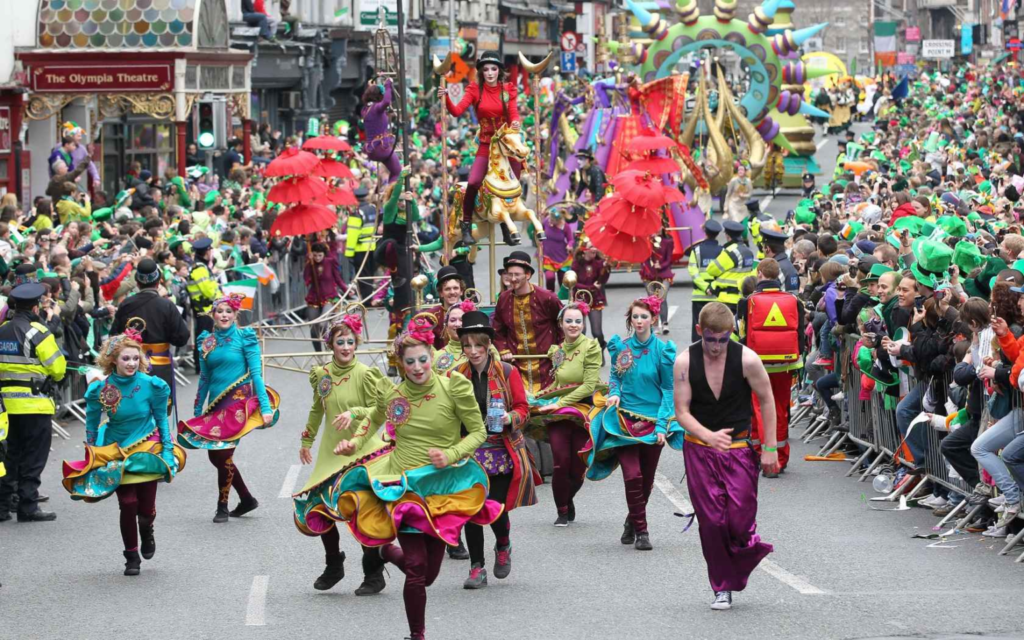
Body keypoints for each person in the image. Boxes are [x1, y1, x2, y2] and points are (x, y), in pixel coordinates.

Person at [331, 317, 502, 640]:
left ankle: (383, 553)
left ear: (432, 357)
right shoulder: (393, 394)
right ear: (401, 364)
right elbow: (373, 419)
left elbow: (479, 430)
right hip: (404, 486)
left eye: (423, 359)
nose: (418, 367)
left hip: (441, 488)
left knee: (429, 575)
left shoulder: (454, 386)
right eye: (410, 362)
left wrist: (450, 455)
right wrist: (353, 442)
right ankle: (417, 635)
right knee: (415, 569)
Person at [673, 302, 778, 611]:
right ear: (698, 332)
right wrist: (708, 436)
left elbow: (767, 399)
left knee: (739, 521)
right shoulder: (684, 362)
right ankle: (722, 586)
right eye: (710, 339)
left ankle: (743, 557)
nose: (717, 346)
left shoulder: (747, 359)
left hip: (739, 451)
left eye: (723, 338)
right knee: (712, 522)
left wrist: (770, 447)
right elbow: (682, 411)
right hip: (699, 451)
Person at [63, 330, 184, 576]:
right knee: (128, 503)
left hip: (148, 447)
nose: (131, 363)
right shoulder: (100, 389)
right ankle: (131, 555)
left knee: (146, 510)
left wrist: (169, 453)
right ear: (113, 361)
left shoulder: (153, 385)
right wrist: (91, 454)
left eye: (135, 359)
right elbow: (91, 423)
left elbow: (162, 420)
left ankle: (147, 530)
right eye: (125, 359)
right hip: (115, 450)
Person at [292, 314, 389, 595]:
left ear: (356, 344)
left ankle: (373, 572)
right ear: (331, 346)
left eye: (350, 342)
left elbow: (378, 411)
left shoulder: (365, 375)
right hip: (331, 454)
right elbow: (317, 409)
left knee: (362, 511)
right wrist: (306, 440)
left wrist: (354, 413)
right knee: (319, 509)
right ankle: (334, 563)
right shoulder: (322, 375)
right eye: (340, 342)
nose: (346, 347)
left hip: (362, 451)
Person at [585, 296, 684, 550]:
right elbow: (616, 379)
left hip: (654, 424)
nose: (639, 321)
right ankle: (642, 531)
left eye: (643, 316)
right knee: (632, 475)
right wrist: (615, 392)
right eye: (635, 317)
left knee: (647, 481)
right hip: (623, 422)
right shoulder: (622, 348)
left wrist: (663, 425)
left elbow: (668, 390)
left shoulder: (663, 351)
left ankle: (632, 520)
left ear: (653, 319)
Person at [453, 310, 538, 589]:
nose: (473, 351)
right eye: (467, 345)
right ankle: (476, 567)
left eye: (478, 344)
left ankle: (503, 544)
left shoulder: (508, 371)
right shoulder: (456, 375)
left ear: (488, 343)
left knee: (494, 508)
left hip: (501, 450)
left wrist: (509, 419)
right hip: (468, 451)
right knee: (470, 509)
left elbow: (524, 409)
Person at [178, 294, 280, 523]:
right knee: (215, 457)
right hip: (215, 406)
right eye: (219, 311)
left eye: (228, 311)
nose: (224, 315)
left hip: (238, 405)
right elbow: (204, 378)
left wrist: (265, 408)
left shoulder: (246, 338)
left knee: (223, 454)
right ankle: (246, 498)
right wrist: (197, 412)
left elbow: (256, 375)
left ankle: (222, 505)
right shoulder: (206, 341)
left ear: (235, 315)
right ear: (213, 315)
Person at [0, 283, 67, 523]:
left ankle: (2, 506)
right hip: (35, 405)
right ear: (36, 306)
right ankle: (28, 506)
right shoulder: (37, 332)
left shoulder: (3, 329)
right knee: (32, 458)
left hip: (6, 408)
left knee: (9, 456)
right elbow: (58, 369)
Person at [441, 50, 522, 246]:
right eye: (486, 69)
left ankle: (505, 224)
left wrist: (516, 124)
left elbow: (513, 114)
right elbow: (457, 111)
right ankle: (466, 223)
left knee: (515, 180)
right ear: (481, 72)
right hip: (486, 143)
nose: (490, 73)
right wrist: (446, 98)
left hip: (504, 144)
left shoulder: (507, 90)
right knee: (474, 181)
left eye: (494, 69)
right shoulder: (474, 90)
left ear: (499, 71)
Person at [531, 301, 602, 526]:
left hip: (583, 411)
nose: (573, 325)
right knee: (561, 462)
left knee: (579, 464)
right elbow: (556, 384)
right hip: (559, 412)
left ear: (583, 324)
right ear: (561, 324)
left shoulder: (591, 347)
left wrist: (560, 402)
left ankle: (567, 498)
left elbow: (588, 386)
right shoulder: (557, 350)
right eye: (568, 321)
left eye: (578, 321)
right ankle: (562, 509)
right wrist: (536, 397)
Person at [735, 258, 805, 474]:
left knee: (758, 409)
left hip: (757, 364)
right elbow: (800, 336)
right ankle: (780, 459)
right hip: (786, 364)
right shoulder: (795, 300)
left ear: (759, 274)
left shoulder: (747, 302)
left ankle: (761, 456)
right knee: (781, 410)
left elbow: (742, 335)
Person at [112, 259, 191, 417]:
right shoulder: (166, 305)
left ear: (137, 282)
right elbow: (182, 337)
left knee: (134, 413)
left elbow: (113, 337)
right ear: (158, 281)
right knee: (159, 416)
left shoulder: (126, 305)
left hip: (130, 367)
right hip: (160, 368)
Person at [491, 251, 564, 393]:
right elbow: (498, 330)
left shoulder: (547, 298)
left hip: (547, 364)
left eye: (517, 274)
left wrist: (561, 347)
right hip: (516, 363)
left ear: (528, 275)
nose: (512, 278)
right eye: (510, 274)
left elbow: (562, 324)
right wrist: (503, 350)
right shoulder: (504, 299)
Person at [304, 242, 349, 352]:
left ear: (324, 254)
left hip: (329, 297)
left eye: (320, 255)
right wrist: (309, 264)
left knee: (323, 323)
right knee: (314, 327)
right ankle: (319, 354)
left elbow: (338, 278)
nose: (317, 258)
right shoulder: (311, 264)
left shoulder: (330, 262)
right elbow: (306, 280)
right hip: (313, 297)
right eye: (315, 255)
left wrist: (346, 289)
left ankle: (329, 349)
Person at [186, 237, 221, 373]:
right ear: (206, 252)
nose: (211, 252)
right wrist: (220, 298)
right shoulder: (200, 268)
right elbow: (208, 291)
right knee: (204, 338)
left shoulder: (202, 267)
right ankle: (201, 366)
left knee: (207, 337)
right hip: (204, 308)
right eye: (210, 249)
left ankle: (204, 364)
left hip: (207, 308)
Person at [572, 239, 610, 358]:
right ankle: (580, 356)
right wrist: (589, 287)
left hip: (595, 299)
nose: (594, 249)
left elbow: (602, 280)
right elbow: (574, 282)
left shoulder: (599, 263)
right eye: (591, 247)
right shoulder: (577, 264)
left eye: (595, 247)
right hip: (580, 299)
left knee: (597, 332)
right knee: (580, 331)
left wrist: (607, 269)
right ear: (584, 251)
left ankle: (600, 349)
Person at [687, 219, 724, 342]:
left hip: (699, 297)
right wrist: (712, 287)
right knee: (715, 329)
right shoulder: (722, 251)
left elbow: (693, 272)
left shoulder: (696, 251)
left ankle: (697, 355)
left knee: (698, 329)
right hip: (716, 297)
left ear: (705, 232)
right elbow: (723, 274)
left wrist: (705, 287)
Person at [707, 220, 755, 312]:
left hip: (727, 299)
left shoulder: (730, 252)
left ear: (728, 236)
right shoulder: (748, 251)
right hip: (742, 299)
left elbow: (711, 270)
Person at [362, 78, 402, 184]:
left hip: (372, 150)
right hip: (381, 149)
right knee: (397, 172)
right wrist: (388, 84)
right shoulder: (376, 108)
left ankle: (388, 194)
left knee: (395, 171)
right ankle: (391, 196)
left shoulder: (365, 109)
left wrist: (371, 88)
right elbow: (387, 101)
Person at [346, 186, 377, 302]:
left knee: (363, 276)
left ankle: (366, 300)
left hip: (360, 248)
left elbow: (353, 233)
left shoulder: (357, 213)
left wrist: (349, 253)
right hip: (373, 246)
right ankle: (371, 297)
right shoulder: (373, 208)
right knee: (370, 274)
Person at [641, 229, 675, 334]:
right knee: (652, 300)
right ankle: (655, 324)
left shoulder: (668, 241)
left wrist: (661, 266)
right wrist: (650, 268)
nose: (656, 229)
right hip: (649, 274)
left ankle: (664, 323)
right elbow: (643, 259)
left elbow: (669, 259)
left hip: (664, 273)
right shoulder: (646, 242)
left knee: (661, 297)